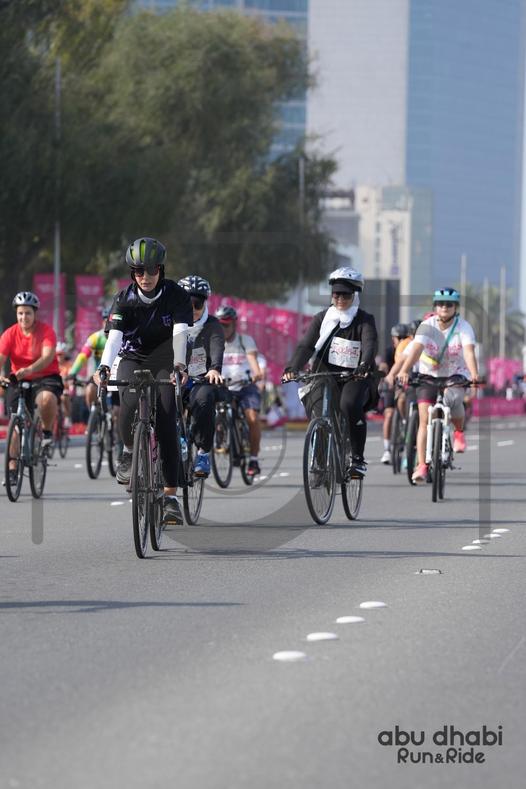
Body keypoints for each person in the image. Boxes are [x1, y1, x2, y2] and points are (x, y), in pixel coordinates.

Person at [94, 237, 193, 525]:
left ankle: (171, 496)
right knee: (126, 408)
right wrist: (103, 367)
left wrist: (179, 366)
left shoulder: (176, 295)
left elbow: (180, 334)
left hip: (166, 360)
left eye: (151, 270)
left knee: (166, 420)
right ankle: (128, 451)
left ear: (161, 269)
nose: (145, 277)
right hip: (133, 358)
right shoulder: (124, 299)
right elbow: (114, 338)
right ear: (132, 273)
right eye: (139, 271)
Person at [282, 267, 378, 476]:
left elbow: (369, 344)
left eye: (346, 295)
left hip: (354, 376)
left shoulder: (364, 320)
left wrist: (364, 365)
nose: (340, 299)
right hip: (323, 374)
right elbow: (306, 345)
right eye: (336, 295)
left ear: (355, 295)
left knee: (349, 404)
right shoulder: (321, 318)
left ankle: (357, 458)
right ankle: (319, 465)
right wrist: (292, 368)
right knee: (317, 412)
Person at [398, 288, 480, 483]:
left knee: (455, 400)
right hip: (429, 375)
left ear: (455, 307)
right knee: (425, 419)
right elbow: (416, 350)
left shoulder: (464, 327)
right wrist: (404, 370)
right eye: (441, 304)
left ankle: (458, 433)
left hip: (455, 374)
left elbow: (468, 352)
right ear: (435, 307)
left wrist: (474, 375)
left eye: (449, 304)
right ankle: (422, 466)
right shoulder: (427, 326)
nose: (444, 307)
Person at [0, 292, 63, 478]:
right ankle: (12, 468)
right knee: (15, 424)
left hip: (46, 377)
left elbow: (47, 357)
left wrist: (29, 369)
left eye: (27, 313)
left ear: (35, 314)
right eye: (20, 313)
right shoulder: (10, 333)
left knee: (46, 399)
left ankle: (47, 433)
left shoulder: (46, 331)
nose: (23, 317)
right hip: (18, 379)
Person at [177, 275, 224, 478]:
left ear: (205, 303)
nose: (193, 309)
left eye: (197, 303)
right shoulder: (170, 321)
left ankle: (203, 453)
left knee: (204, 400)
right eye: (188, 303)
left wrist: (214, 368)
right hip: (174, 376)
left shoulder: (212, 324)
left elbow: (217, 345)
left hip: (201, 379)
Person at [215, 305, 264, 477]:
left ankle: (253, 459)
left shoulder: (245, 340)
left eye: (226, 325)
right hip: (223, 387)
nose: (223, 329)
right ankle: (222, 436)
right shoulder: (214, 341)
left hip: (245, 386)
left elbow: (253, 360)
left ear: (234, 324)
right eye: (220, 325)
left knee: (252, 418)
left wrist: (256, 373)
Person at [69, 308, 112, 411]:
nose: (108, 325)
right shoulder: (95, 338)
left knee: (116, 411)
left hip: (116, 375)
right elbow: (82, 356)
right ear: (102, 322)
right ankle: (93, 414)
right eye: (106, 321)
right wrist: (72, 373)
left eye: (111, 322)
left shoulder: (122, 337)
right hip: (100, 375)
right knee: (89, 390)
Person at [380, 323, 409, 464]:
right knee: (389, 414)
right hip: (392, 384)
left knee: (404, 402)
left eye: (404, 338)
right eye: (399, 338)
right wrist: (384, 374)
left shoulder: (411, 349)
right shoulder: (389, 351)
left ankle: (406, 423)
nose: (401, 341)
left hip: (406, 385)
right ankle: (387, 450)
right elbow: (384, 365)